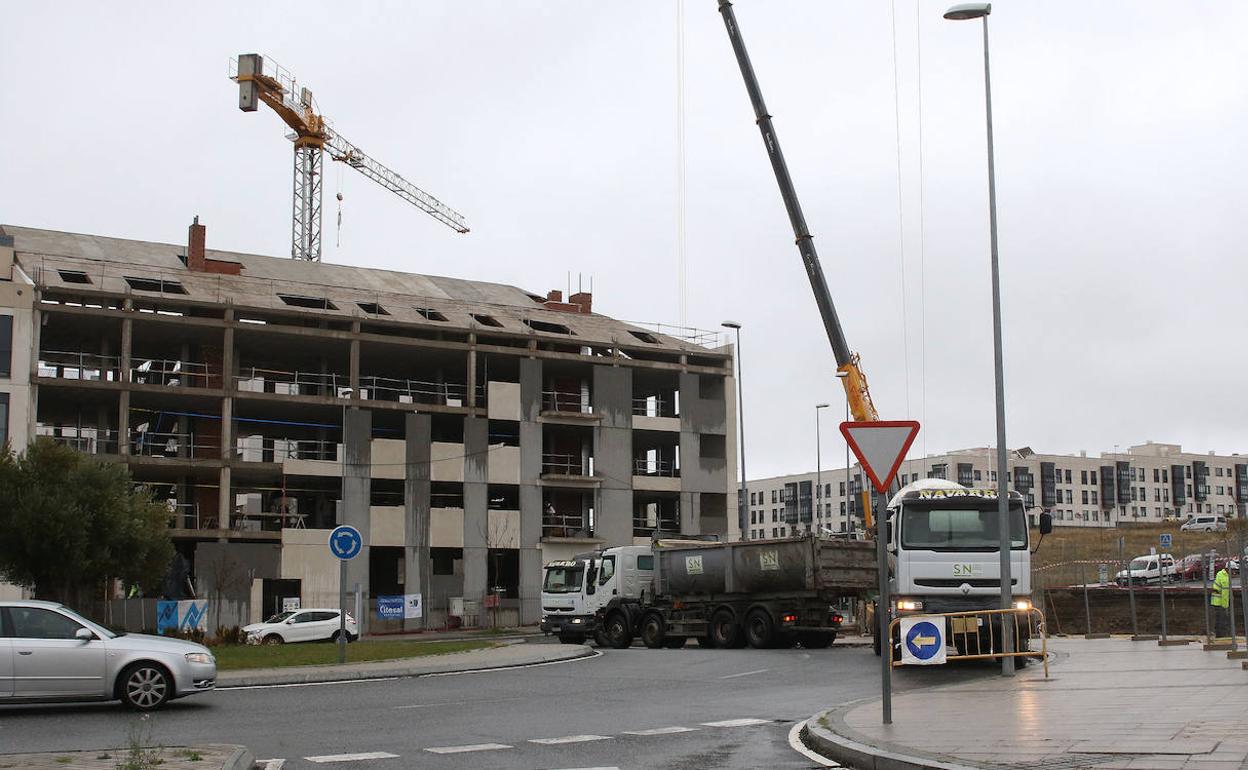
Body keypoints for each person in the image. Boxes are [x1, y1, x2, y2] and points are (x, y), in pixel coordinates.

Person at [1212, 559, 1232, 639]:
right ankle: (1221, 636)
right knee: (1222, 619)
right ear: (1228, 569)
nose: (1234, 572)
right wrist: (1225, 606)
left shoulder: (1220, 573)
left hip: (1216, 601)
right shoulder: (1225, 579)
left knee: (1218, 619)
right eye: (1233, 570)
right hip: (1220, 602)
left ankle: (1219, 635)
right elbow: (1225, 594)